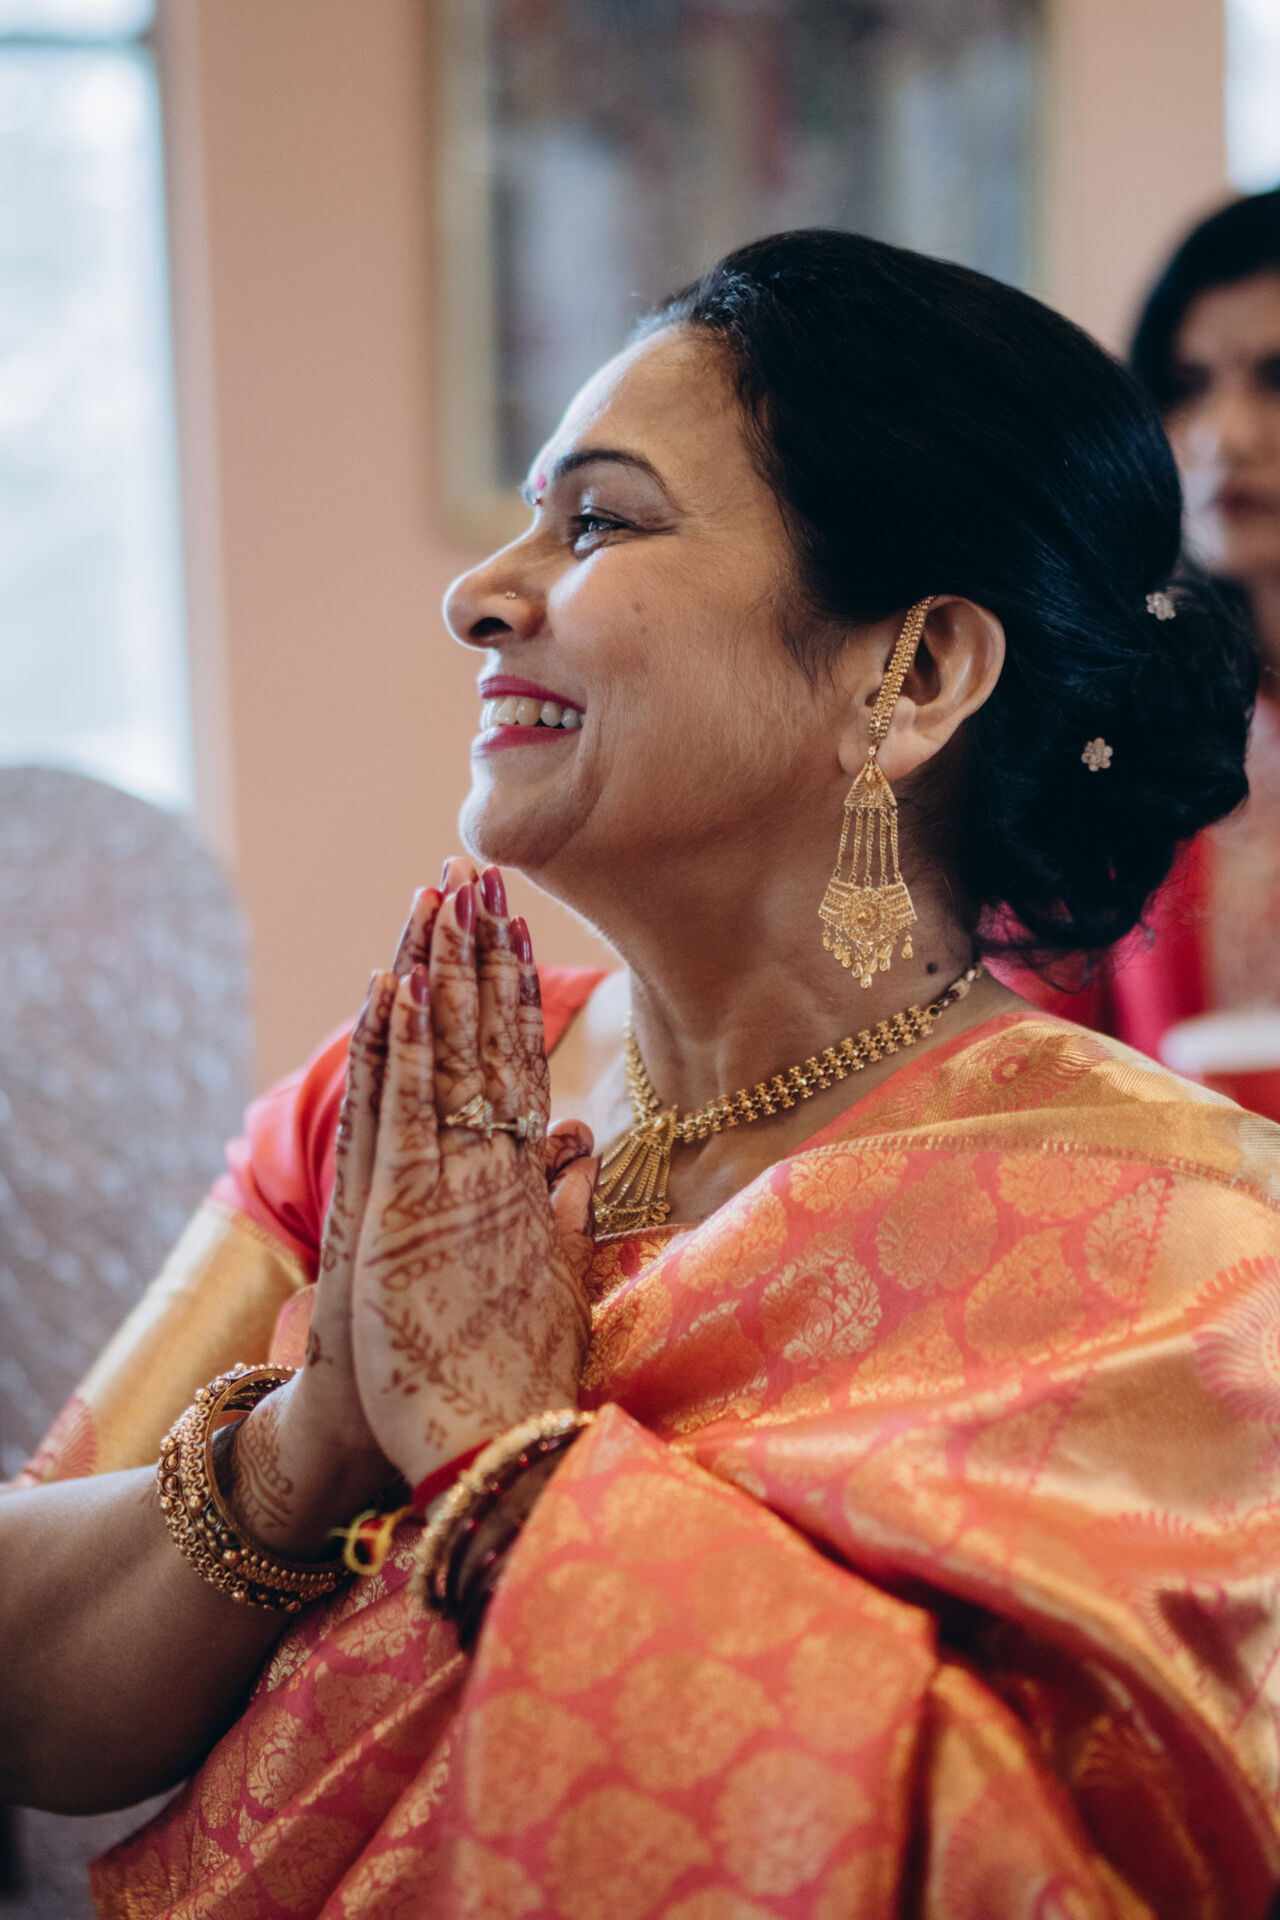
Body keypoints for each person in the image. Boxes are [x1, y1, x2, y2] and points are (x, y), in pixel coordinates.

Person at [2, 229, 1278, 1920]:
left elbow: (1038, 1866)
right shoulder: (410, 1106)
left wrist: (500, 1462)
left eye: (600, 521)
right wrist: (317, 1440)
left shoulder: (1186, 1252)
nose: (480, 592)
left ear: (911, 673)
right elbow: (29, 1690)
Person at [1011, 188, 1280, 1110]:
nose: (1224, 436)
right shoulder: (1114, 718)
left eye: (1276, 378)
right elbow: (1030, 1064)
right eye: (1185, 386)